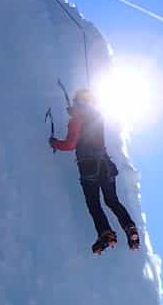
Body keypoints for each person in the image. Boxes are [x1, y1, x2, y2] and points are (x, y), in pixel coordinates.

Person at [49, 89, 140, 255]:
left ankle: (106, 233)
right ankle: (130, 227)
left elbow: (70, 144)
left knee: (94, 204)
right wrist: (76, 113)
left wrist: (54, 143)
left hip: (89, 168)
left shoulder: (76, 120)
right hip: (106, 167)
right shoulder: (98, 118)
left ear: (78, 103)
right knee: (112, 201)